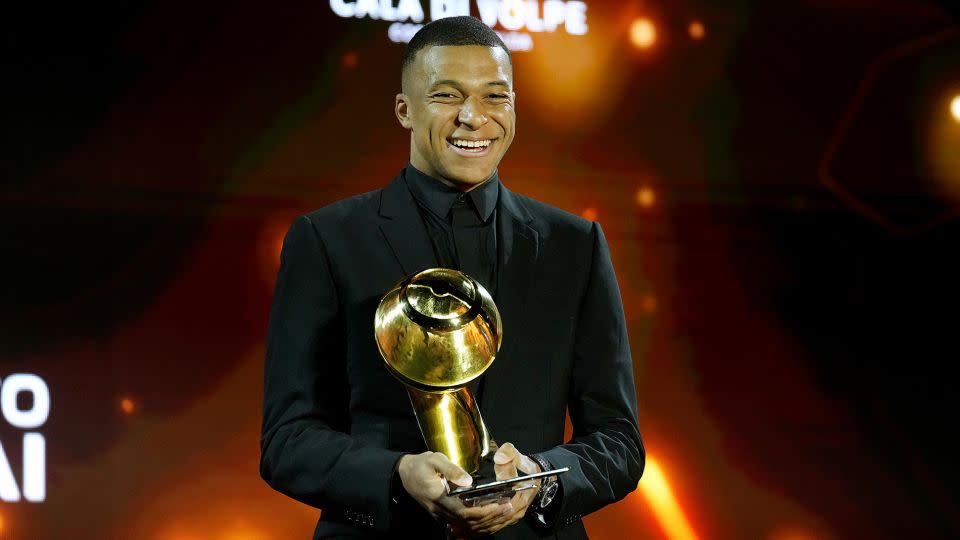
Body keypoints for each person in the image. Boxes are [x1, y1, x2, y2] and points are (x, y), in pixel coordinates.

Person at [260, 16, 644, 539]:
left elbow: (619, 440)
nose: (473, 117)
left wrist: (541, 482)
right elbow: (287, 441)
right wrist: (395, 475)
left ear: (513, 109)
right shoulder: (327, 239)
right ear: (405, 110)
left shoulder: (575, 246)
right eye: (446, 95)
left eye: (494, 97)